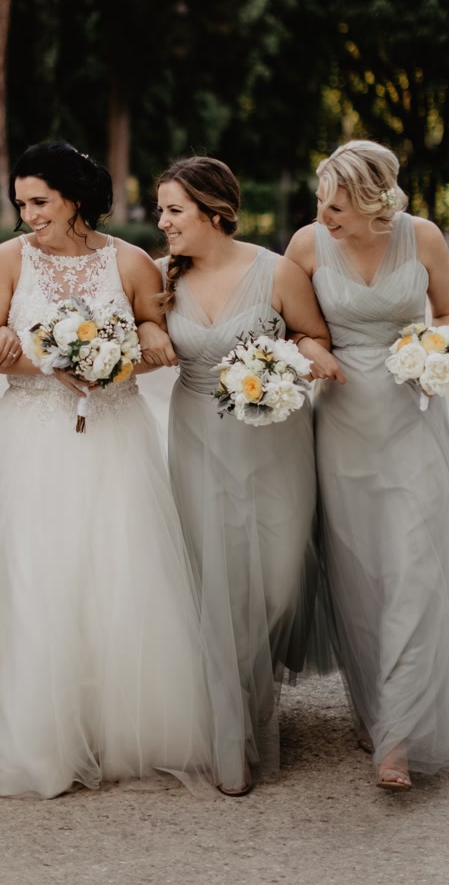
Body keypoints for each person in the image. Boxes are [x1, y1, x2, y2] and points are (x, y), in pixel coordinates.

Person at [0, 141, 211, 798]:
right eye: (21, 204)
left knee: (118, 576)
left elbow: (156, 340)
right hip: (30, 439)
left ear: (74, 196)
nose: (28, 214)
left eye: (39, 202)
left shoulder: (128, 261)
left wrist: (121, 357)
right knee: (30, 581)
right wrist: (47, 358)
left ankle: (114, 731)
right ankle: (31, 736)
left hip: (114, 436)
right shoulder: (7, 260)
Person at [143, 155, 338, 796]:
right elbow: (143, 324)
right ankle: (235, 738)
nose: (162, 221)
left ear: (214, 213)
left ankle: (251, 702)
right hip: (198, 435)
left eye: (174, 210)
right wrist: (149, 331)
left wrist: (311, 362)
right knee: (218, 586)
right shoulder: (162, 273)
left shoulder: (276, 271)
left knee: (278, 584)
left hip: (275, 440)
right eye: (162, 209)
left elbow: (311, 335)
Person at [285, 140, 449, 791]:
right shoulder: (307, 247)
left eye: (336, 206)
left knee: (414, 566)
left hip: (412, 420)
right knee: (361, 574)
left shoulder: (425, 240)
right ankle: (378, 708)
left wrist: (433, 354)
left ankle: (399, 738)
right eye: (319, 203)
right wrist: (312, 348)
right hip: (341, 424)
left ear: (371, 202)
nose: (324, 216)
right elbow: (293, 325)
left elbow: (443, 314)